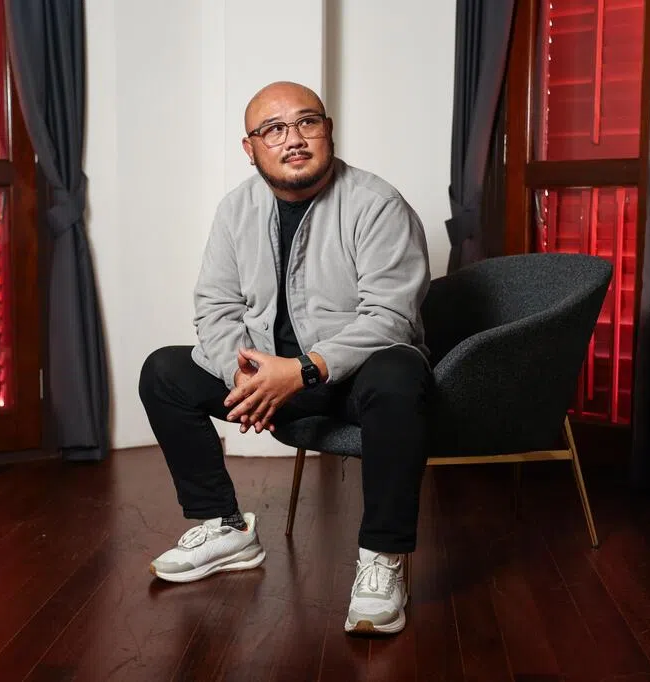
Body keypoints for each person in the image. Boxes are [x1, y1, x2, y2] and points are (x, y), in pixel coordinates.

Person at [138, 81, 432, 636]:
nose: (293, 139)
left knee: (401, 370)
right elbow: (216, 308)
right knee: (164, 371)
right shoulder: (236, 209)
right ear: (250, 148)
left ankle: (382, 558)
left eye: (307, 122)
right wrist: (245, 377)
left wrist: (301, 370)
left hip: (350, 382)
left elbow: (392, 316)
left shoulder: (377, 204)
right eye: (273, 130)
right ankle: (225, 528)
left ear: (328, 131)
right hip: (268, 379)